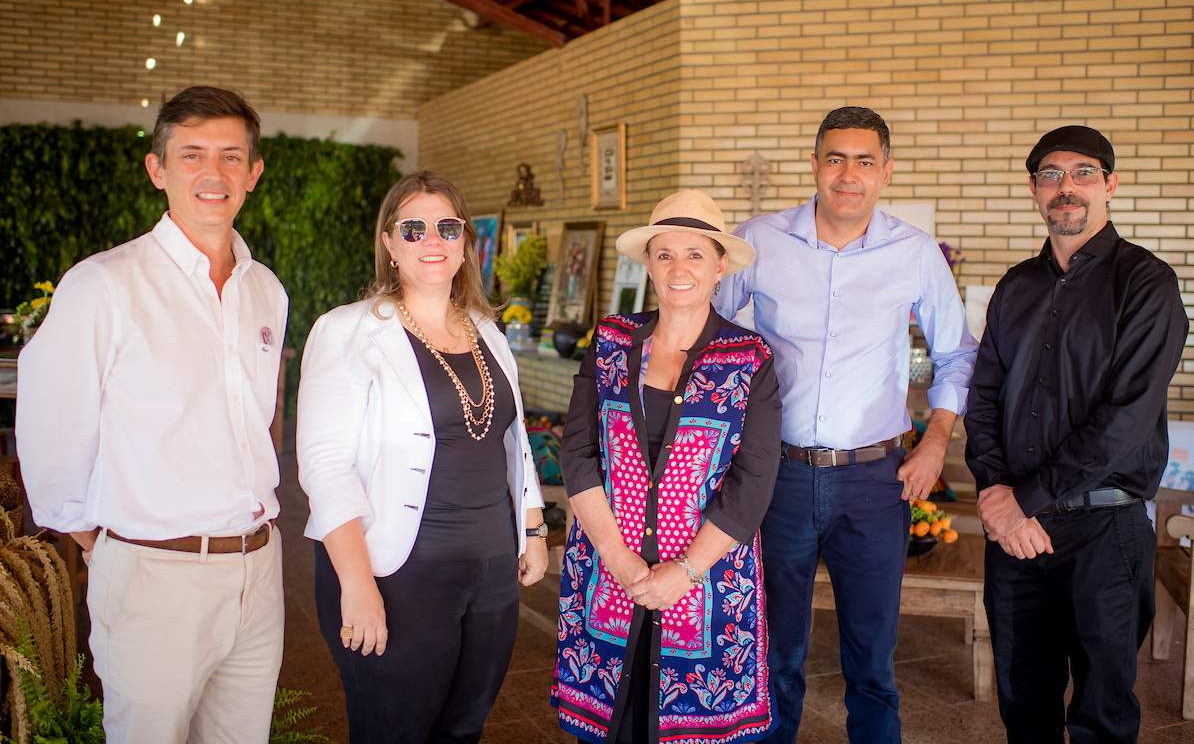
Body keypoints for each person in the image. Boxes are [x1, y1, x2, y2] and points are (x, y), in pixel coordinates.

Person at [16, 86, 287, 742]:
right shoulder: (104, 285)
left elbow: (260, 422)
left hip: (258, 570)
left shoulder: (266, 290)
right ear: (157, 168)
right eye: (191, 154)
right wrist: (115, 546)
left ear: (252, 171)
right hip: (153, 578)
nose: (212, 173)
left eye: (229, 155)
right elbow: (51, 441)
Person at [715, 106, 978, 744]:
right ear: (815, 164)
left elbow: (958, 353)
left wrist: (934, 442)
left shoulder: (914, 252)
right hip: (778, 477)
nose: (848, 174)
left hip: (874, 480)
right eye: (836, 158)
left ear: (885, 172)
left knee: (872, 656)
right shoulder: (761, 240)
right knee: (772, 651)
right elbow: (710, 333)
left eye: (864, 160)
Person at [296, 170, 548, 744]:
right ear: (388, 242)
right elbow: (325, 465)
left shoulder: (486, 328)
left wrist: (531, 526)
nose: (431, 240)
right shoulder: (348, 331)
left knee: (463, 728)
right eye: (413, 228)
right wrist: (357, 583)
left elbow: (514, 440)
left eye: (446, 227)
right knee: (395, 730)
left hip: (490, 570)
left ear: (464, 241)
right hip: (400, 570)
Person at [965, 126, 1187, 743]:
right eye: (1050, 175)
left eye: (1083, 172)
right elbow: (982, 396)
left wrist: (1022, 499)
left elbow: (1127, 417)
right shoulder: (1015, 287)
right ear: (1035, 191)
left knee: (1101, 714)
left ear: (1110, 185)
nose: (1066, 187)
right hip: (1015, 534)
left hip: (1104, 531)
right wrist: (995, 494)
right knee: (1023, 705)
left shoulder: (1146, 283)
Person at [553, 189, 783, 744]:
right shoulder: (610, 341)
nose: (679, 269)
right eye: (665, 255)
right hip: (610, 577)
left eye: (696, 254)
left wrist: (684, 571)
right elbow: (578, 454)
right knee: (613, 723)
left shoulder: (749, 359)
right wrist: (621, 560)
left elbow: (752, 485)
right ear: (649, 264)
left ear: (721, 265)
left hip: (707, 586)